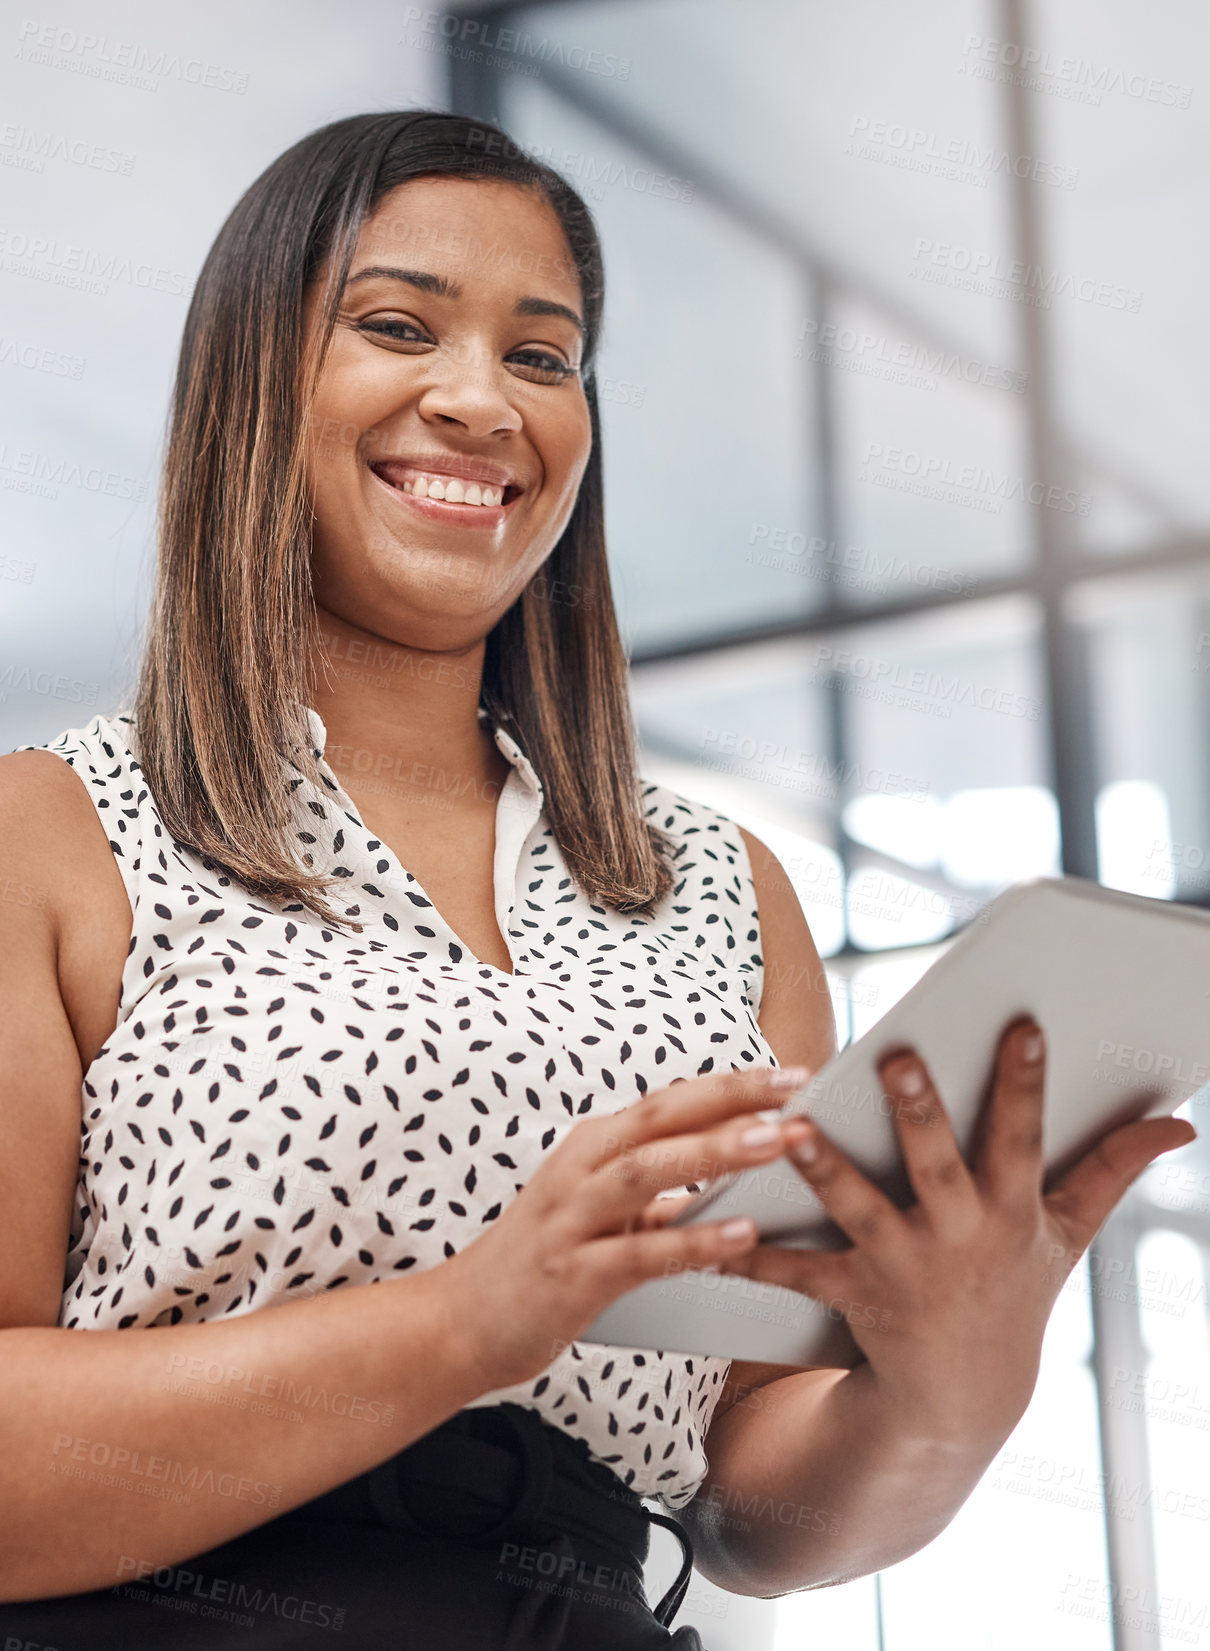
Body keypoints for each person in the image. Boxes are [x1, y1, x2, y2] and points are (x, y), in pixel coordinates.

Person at [0, 109, 1194, 1649]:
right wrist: (464, 1322)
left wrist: (951, 1383)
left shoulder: (716, 884)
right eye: (394, 326)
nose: (478, 400)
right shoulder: (59, 829)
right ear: (251, 377)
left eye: (543, 355)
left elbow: (750, 1509)